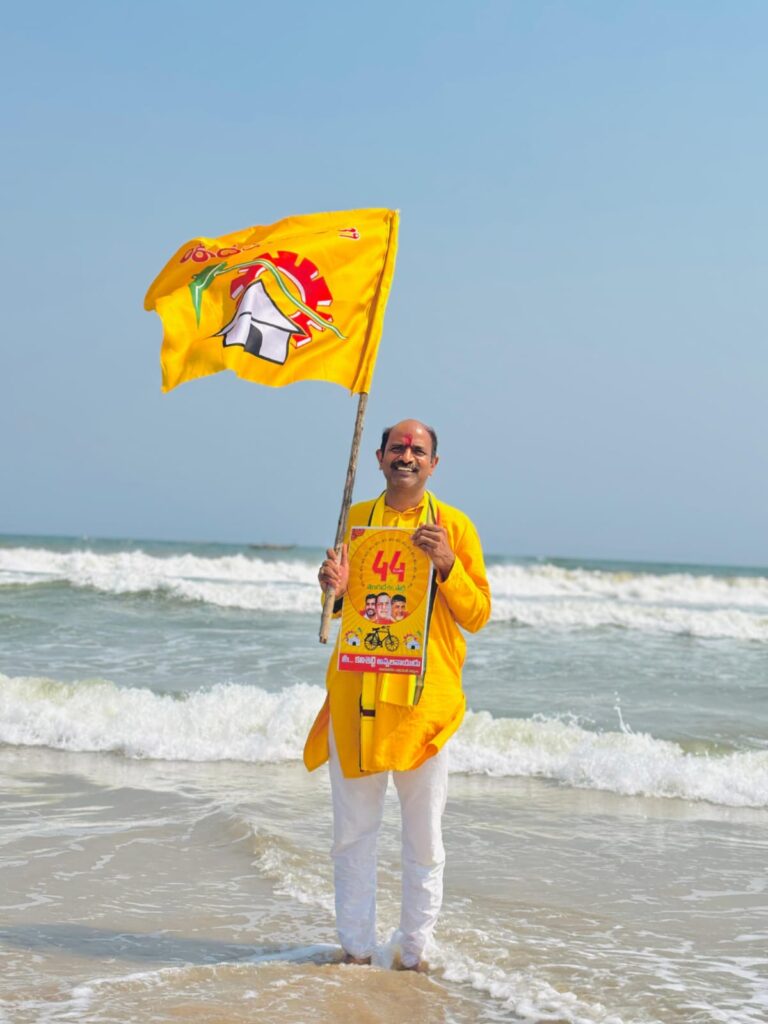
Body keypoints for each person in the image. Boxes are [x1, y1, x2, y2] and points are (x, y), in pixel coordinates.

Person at [304, 419, 491, 971]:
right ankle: (357, 949)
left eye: (418, 450)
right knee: (352, 833)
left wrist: (447, 566)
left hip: (423, 705)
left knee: (424, 838)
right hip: (357, 694)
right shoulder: (354, 520)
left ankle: (414, 952)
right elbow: (342, 612)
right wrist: (330, 591)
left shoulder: (453, 526)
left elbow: (478, 614)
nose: (406, 456)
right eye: (397, 447)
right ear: (380, 456)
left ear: (434, 463)